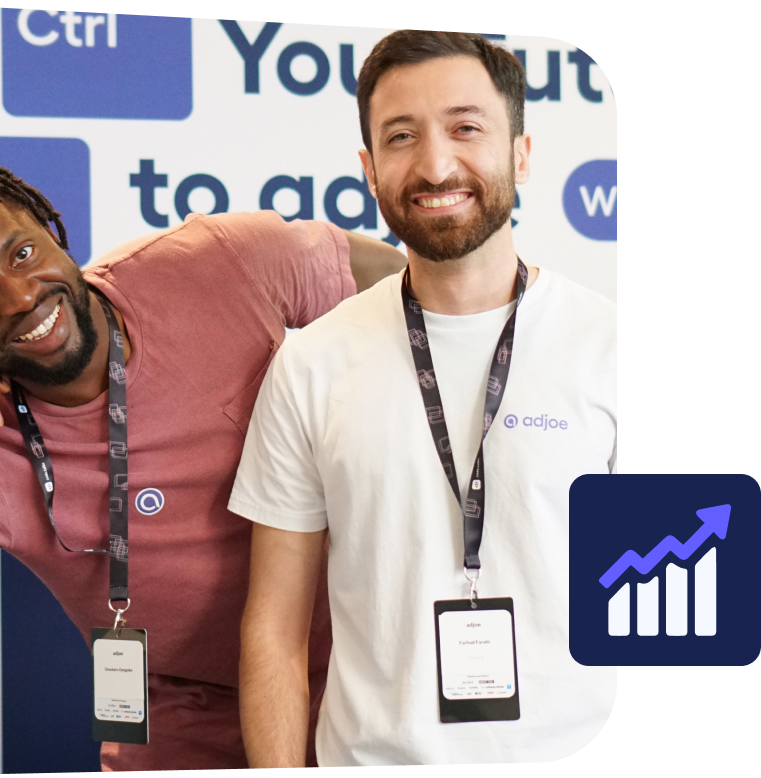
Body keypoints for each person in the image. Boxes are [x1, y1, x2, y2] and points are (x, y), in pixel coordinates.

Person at [0, 158, 406, 774]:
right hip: (189, 721)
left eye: (20, 253)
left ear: (51, 230)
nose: (21, 296)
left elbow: (432, 293)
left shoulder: (216, 263)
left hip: (377, 683)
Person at [231, 30, 625, 772]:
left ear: (521, 154)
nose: (436, 164)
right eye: (401, 137)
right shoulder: (312, 364)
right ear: (369, 170)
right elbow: (274, 632)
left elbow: (691, 623)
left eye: (466, 128)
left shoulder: (619, 351)